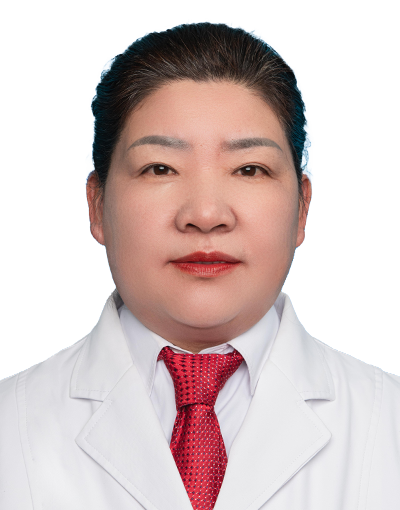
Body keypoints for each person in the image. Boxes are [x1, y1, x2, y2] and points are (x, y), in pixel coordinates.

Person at [0, 21, 399, 510]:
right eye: (160, 168)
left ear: (302, 208)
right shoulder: (10, 427)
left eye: (249, 169)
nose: (206, 215)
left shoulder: (389, 424)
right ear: (97, 206)